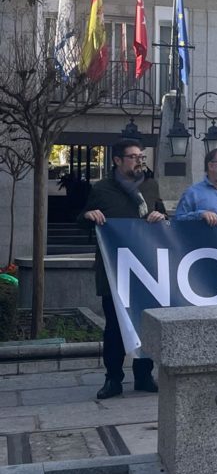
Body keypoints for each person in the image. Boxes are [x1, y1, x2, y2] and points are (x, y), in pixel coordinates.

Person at [80, 139, 167, 400]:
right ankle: (113, 379)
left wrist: (161, 217)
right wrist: (89, 216)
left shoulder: (151, 186)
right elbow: (84, 221)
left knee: (148, 324)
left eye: (142, 156)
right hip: (114, 271)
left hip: (147, 270)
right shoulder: (102, 189)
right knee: (115, 328)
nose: (140, 161)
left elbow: (163, 218)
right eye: (133, 157)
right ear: (117, 160)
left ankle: (143, 375)